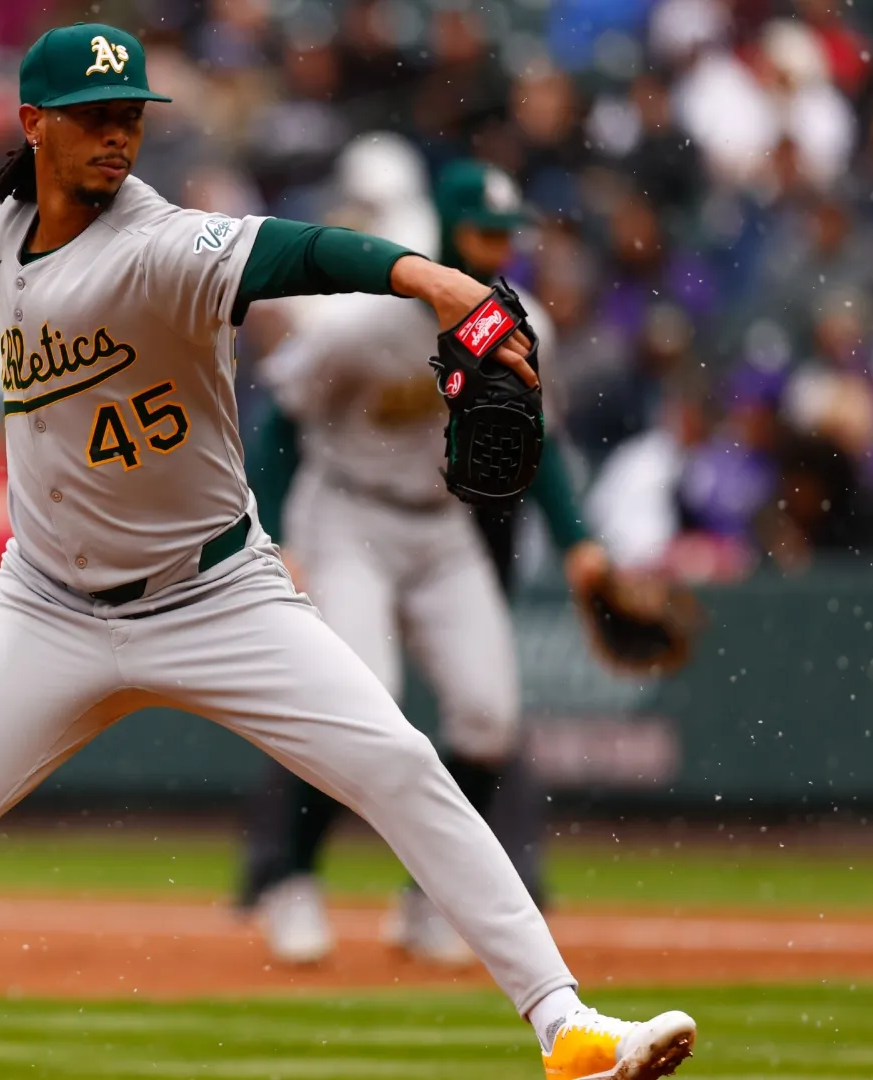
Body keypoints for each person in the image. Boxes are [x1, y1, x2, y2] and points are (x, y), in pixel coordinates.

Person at [0, 25, 694, 1080]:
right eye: (95, 117)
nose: (117, 137)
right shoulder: (14, 211)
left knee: (404, 764)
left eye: (131, 116)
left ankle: (569, 1027)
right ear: (36, 124)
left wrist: (431, 280)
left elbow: (300, 249)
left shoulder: (162, 243)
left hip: (216, 595)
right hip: (46, 610)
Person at [235, 158, 613, 967]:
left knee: (487, 718)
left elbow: (536, 443)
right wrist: (275, 536)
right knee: (363, 708)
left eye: (508, 236)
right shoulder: (368, 319)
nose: (497, 250)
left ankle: (426, 900)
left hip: (444, 528)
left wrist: (580, 542)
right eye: (483, 233)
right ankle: (291, 880)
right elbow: (281, 425)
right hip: (348, 515)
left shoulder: (515, 318)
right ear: (445, 231)